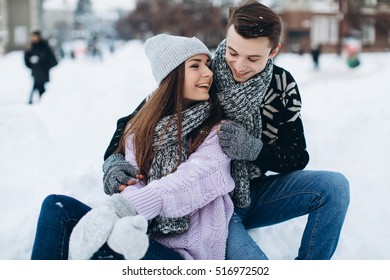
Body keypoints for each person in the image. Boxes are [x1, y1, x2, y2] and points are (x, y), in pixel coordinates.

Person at [103, 0, 350, 260]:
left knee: (335, 187)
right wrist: (112, 162)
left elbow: (297, 156)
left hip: (254, 192)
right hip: (212, 202)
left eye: (253, 58)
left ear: (273, 51)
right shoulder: (205, 74)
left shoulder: (281, 86)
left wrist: (254, 150)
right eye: (233, 52)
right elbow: (136, 121)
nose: (239, 65)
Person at [31, 34, 235, 260]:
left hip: (185, 256)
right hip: (140, 238)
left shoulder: (218, 128)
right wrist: (123, 216)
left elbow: (195, 177)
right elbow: (132, 179)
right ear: (172, 76)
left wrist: (127, 207)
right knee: (56, 208)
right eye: (195, 65)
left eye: (207, 65)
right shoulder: (141, 129)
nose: (208, 73)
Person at [24, 30, 58, 104]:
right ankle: (40, 101)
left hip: (43, 72)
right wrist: (31, 62)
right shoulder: (32, 47)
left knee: (39, 86)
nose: (34, 38)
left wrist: (43, 64)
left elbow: (54, 61)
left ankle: (39, 101)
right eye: (33, 37)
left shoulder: (45, 47)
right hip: (36, 72)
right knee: (38, 86)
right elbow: (27, 59)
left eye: (36, 36)